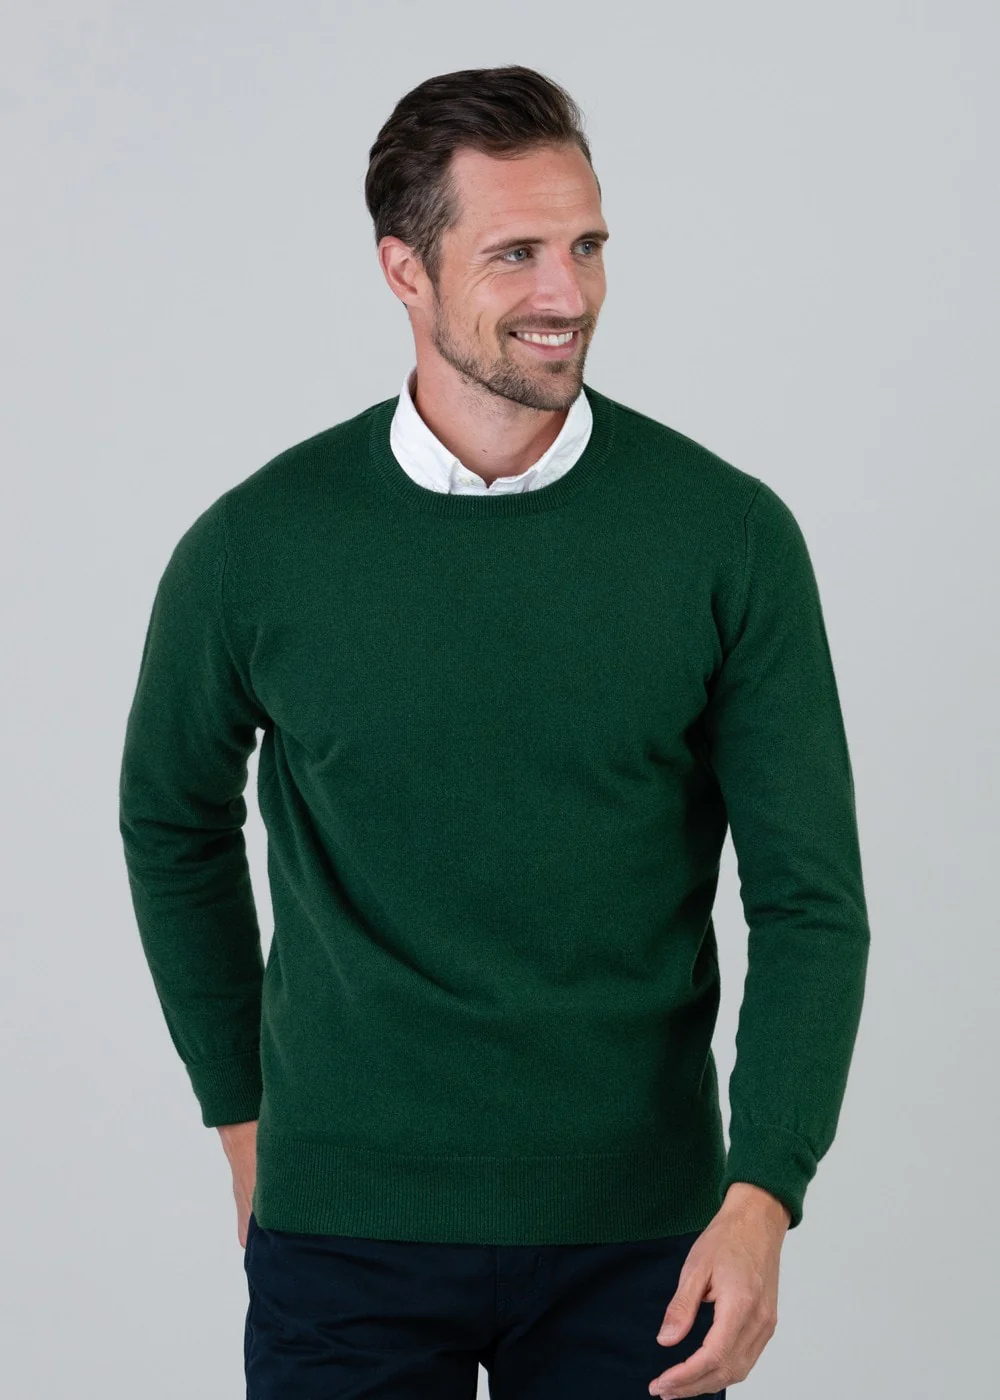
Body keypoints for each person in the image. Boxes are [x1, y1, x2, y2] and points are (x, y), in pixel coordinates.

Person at [118, 64, 870, 1400]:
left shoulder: (727, 536)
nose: (566, 293)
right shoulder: (256, 547)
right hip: (343, 1229)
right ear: (404, 271)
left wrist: (766, 1189)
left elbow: (811, 896)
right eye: (516, 253)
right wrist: (239, 1111)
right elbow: (168, 819)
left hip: (642, 1236)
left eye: (587, 246)